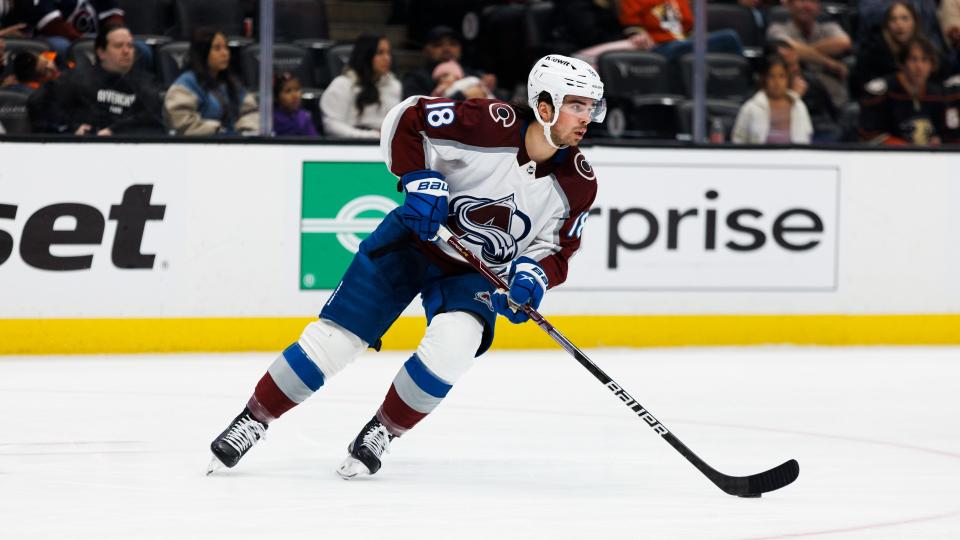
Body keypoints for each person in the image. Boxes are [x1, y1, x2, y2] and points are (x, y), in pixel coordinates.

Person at [207, 54, 606, 479]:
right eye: (577, 105)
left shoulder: (578, 183)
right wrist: (419, 178)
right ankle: (253, 419)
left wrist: (532, 276)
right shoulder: (486, 122)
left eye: (591, 107)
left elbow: (557, 247)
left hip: (473, 271)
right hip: (415, 239)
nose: (587, 118)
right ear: (544, 106)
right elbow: (407, 117)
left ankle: (383, 430)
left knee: (456, 345)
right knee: (336, 341)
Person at [27, 23, 161, 134]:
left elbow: (153, 120)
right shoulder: (76, 79)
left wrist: (115, 131)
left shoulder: (146, 83)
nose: (126, 51)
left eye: (130, 46)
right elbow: (38, 105)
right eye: (119, 46)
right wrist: (71, 129)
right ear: (101, 52)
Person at [859, 35, 958, 145]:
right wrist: (908, 150)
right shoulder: (882, 93)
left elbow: (950, 135)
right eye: (913, 59)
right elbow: (870, 135)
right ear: (902, 64)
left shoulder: (939, 95)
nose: (919, 66)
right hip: (890, 158)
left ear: (932, 65)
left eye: (925, 60)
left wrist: (939, 141)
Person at [163, 27, 258, 136]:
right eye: (217, 48)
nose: (225, 53)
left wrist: (245, 130)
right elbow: (182, 123)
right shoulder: (185, 85)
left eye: (226, 47)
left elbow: (250, 112)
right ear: (203, 52)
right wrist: (217, 131)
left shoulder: (232, 82)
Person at [767, 0, 852, 109]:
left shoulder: (829, 27)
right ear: (789, 5)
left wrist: (802, 52)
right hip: (795, 97)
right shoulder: (777, 29)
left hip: (832, 100)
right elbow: (787, 47)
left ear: (819, 7)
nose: (806, 6)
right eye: (801, 0)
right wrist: (830, 63)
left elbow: (844, 42)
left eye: (812, 1)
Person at [854, 2, 947, 96]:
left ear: (915, 22)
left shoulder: (927, 50)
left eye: (904, 19)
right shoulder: (872, 53)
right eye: (893, 19)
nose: (899, 25)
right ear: (887, 24)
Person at [320, 33, 401, 139]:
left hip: (384, 146)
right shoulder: (342, 84)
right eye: (380, 53)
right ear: (366, 55)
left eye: (388, 53)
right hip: (351, 146)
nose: (387, 58)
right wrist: (369, 136)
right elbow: (331, 125)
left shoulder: (394, 85)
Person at [615, 0, 744, 61]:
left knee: (727, 40)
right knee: (729, 38)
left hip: (682, 43)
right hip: (659, 47)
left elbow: (688, 26)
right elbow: (631, 25)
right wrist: (638, 34)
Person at [732, 55, 813, 144]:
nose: (777, 82)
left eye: (781, 76)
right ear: (764, 79)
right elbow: (738, 140)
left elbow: (807, 136)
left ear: (788, 79)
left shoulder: (799, 106)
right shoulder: (751, 107)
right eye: (771, 76)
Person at [402, 25, 497, 99]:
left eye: (453, 44)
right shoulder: (416, 79)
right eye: (438, 45)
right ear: (425, 51)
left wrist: (490, 87)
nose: (447, 49)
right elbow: (418, 114)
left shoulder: (473, 74)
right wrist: (463, 97)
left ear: (460, 48)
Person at [272, 71, 318, 136]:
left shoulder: (304, 116)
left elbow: (315, 141)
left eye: (297, 89)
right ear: (276, 97)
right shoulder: (272, 119)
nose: (295, 95)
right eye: (288, 91)